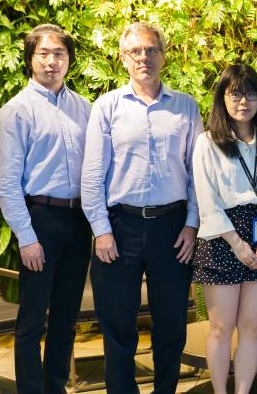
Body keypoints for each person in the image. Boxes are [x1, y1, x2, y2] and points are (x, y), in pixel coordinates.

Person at [81, 22, 202, 393]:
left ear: (164, 56)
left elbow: (198, 171)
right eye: (136, 51)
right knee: (117, 324)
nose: (144, 58)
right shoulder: (107, 106)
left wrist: (192, 225)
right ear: (123, 58)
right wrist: (101, 230)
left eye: (151, 50)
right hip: (120, 228)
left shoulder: (185, 106)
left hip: (173, 228)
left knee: (171, 324)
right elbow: (92, 175)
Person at [0, 24, 91, 394]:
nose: (52, 61)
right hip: (40, 219)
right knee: (32, 320)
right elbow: (6, 182)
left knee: (66, 318)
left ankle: (56, 388)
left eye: (59, 54)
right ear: (31, 59)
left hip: (78, 220)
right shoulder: (16, 110)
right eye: (43, 54)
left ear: (69, 59)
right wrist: (27, 236)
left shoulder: (84, 108)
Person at [191, 64, 257, 394]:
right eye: (235, 93)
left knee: (251, 326)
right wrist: (236, 242)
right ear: (223, 98)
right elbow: (207, 201)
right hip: (222, 237)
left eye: (250, 93)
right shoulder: (208, 143)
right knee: (221, 327)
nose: (243, 101)